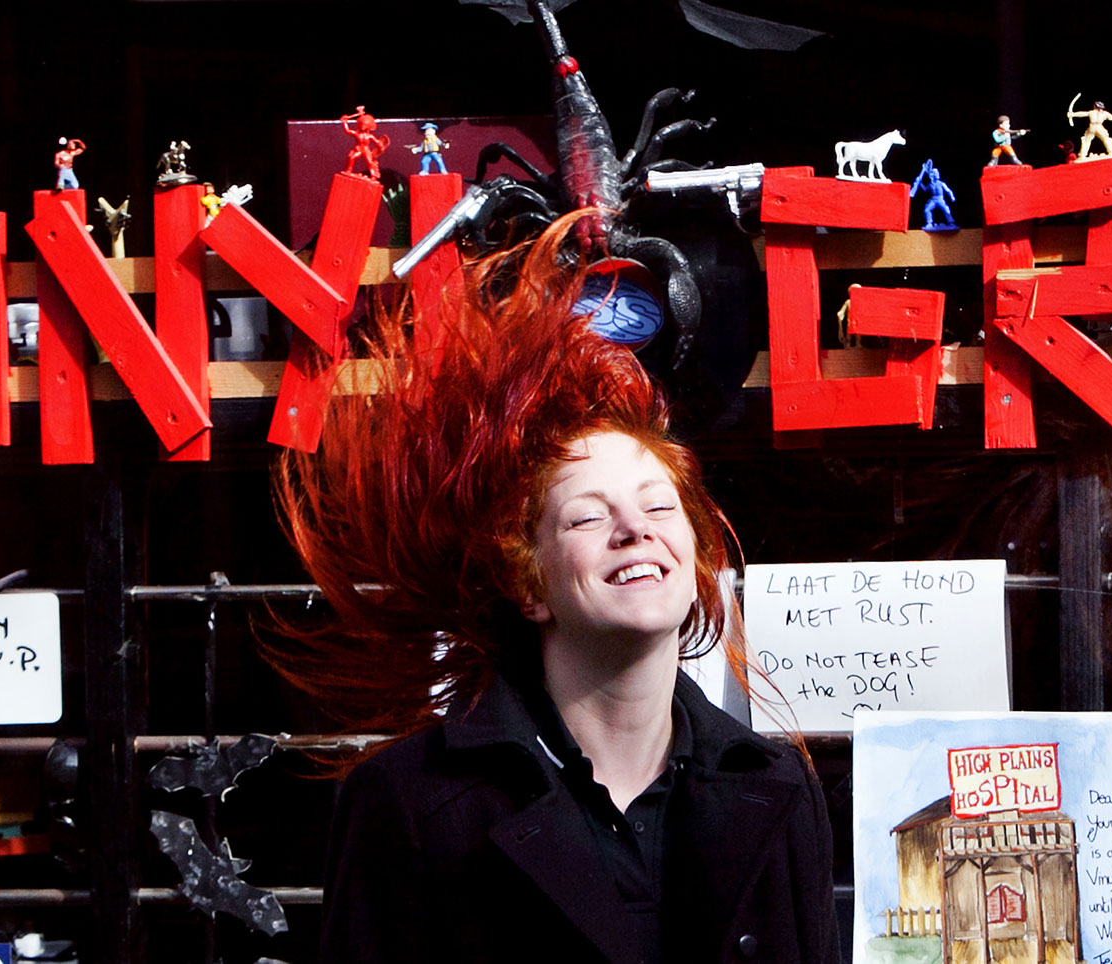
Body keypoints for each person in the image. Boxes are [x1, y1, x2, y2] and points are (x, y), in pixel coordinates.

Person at [270, 213, 835, 964]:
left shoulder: (778, 785)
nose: (634, 530)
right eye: (588, 516)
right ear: (526, 580)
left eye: (658, 507)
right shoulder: (408, 801)